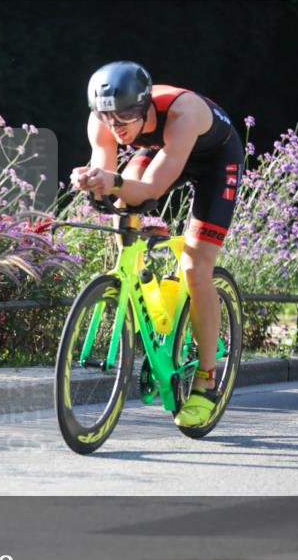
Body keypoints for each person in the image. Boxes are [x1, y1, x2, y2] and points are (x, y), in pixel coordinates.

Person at [71, 61, 243, 429]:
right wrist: (93, 181)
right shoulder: (102, 121)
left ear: (145, 107)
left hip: (215, 161)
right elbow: (110, 182)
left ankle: (206, 380)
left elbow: (151, 188)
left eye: (124, 119)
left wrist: (113, 182)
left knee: (196, 267)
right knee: (123, 200)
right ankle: (142, 288)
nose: (116, 128)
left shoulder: (183, 112)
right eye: (108, 119)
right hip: (164, 149)